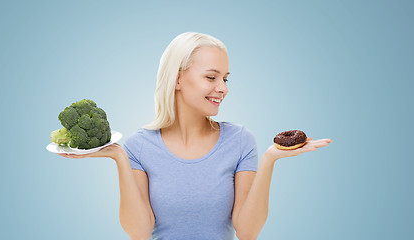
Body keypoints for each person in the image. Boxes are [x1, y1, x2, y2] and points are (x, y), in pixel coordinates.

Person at [57, 32, 332, 240]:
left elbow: (247, 232)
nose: (222, 88)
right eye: (211, 77)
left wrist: (271, 159)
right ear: (177, 80)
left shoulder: (240, 141)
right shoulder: (139, 146)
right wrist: (119, 158)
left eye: (226, 78)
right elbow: (140, 233)